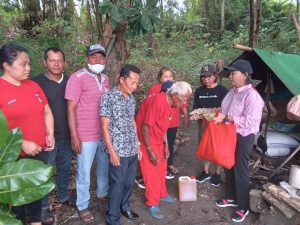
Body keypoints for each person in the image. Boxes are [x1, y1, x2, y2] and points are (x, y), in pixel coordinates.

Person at [0, 43, 55, 225]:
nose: (28, 68)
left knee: (36, 189)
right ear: (6, 65)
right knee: (16, 195)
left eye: (29, 63)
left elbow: (46, 110)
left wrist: (50, 133)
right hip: (12, 156)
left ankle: (36, 221)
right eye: (23, 64)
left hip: (41, 150)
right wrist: (21, 143)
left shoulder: (33, 85)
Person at [214, 59, 264, 223]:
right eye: (230, 73)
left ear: (245, 75)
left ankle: (243, 207)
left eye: (233, 73)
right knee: (228, 165)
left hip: (244, 136)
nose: (230, 76)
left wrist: (228, 117)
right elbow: (224, 109)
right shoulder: (232, 92)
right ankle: (231, 197)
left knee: (240, 170)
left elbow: (251, 121)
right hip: (229, 134)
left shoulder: (252, 96)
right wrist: (216, 113)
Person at [65, 44, 110, 223]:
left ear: (105, 60)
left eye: (101, 58)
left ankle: (102, 193)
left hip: (103, 132)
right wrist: (74, 136)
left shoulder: (106, 78)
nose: (97, 61)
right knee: (84, 171)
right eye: (93, 57)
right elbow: (70, 109)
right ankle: (82, 205)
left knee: (103, 165)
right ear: (87, 59)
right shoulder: (77, 78)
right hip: (85, 133)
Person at [136, 81, 192, 219]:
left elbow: (164, 126)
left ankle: (162, 193)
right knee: (152, 172)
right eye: (183, 99)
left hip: (158, 138)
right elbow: (144, 128)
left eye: (187, 99)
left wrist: (166, 145)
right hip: (145, 139)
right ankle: (152, 202)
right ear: (174, 95)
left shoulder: (172, 104)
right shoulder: (158, 102)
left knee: (162, 167)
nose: (184, 102)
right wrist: (149, 150)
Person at [33, 47, 74, 224]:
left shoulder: (71, 81)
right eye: (51, 60)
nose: (56, 64)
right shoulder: (36, 83)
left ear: (64, 62)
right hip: (46, 138)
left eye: (59, 60)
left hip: (66, 136)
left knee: (64, 168)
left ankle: (63, 196)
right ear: (45, 62)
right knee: (44, 172)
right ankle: (42, 207)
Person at [100, 64, 142, 225]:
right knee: (117, 185)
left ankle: (125, 207)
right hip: (118, 149)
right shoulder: (108, 97)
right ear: (122, 79)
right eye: (132, 82)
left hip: (131, 147)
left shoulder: (131, 98)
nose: (135, 86)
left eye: (137, 83)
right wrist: (112, 152)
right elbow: (104, 127)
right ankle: (113, 217)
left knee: (128, 182)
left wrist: (137, 145)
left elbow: (133, 122)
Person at [147, 66, 189, 179]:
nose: (168, 78)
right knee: (158, 143)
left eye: (170, 76)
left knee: (169, 143)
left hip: (172, 122)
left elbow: (183, 106)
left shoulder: (177, 89)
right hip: (158, 122)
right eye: (165, 76)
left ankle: (168, 164)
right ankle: (157, 166)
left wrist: (186, 118)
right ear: (160, 78)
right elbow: (149, 104)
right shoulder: (155, 89)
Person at [193, 64, 228, 186]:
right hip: (204, 124)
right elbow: (196, 108)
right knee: (205, 147)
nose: (205, 79)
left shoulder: (222, 90)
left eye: (208, 76)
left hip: (219, 125)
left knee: (218, 148)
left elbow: (227, 108)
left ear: (214, 76)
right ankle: (206, 171)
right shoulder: (199, 91)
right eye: (203, 77)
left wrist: (214, 112)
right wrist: (198, 114)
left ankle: (217, 173)